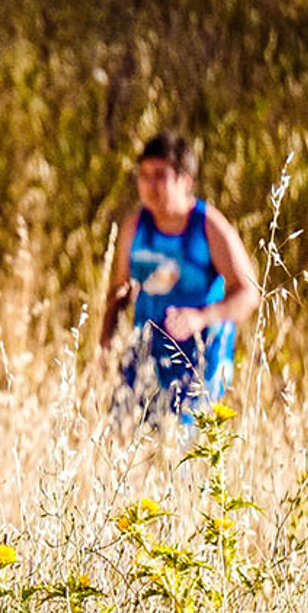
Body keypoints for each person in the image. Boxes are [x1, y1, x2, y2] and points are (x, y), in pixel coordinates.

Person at [99, 132, 260, 424]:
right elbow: (119, 289)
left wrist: (201, 317)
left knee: (180, 448)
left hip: (201, 355)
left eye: (160, 175)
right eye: (144, 175)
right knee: (122, 431)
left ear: (185, 180)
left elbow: (249, 294)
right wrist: (105, 344)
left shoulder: (209, 226)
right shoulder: (135, 227)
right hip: (147, 349)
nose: (150, 185)